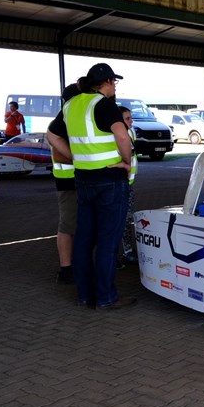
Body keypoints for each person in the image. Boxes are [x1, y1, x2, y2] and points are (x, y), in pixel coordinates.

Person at [45, 63, 136, 310]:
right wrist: (126, 162)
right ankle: (106, 297)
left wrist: (75, 157)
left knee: (84, 239)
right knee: (108, 240)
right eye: (114, 82)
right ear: (106, 82)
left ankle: (85, 295)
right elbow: (122, 135)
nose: (115, 86)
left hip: (83, 179)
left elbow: (51, 136)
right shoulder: (104, 104)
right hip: (109, 179)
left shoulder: (71, 105)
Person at [49, 84, 81, 285]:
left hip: (79, 181)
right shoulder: (63, 122)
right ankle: (66, 269)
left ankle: (74, 265)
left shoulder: (71, 119)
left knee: (77, 226)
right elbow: (60, 153)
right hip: (69, 183)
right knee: (68, 226)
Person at [118, 106, 139, 267]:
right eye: (127, 119)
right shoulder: (115, 136)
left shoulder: (130, 133)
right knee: (121, 220)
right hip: (119, 184)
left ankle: (128, 251)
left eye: (131, 118)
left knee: (127, 219)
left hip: (129, 184)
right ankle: (125, 252)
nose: (131, 121)